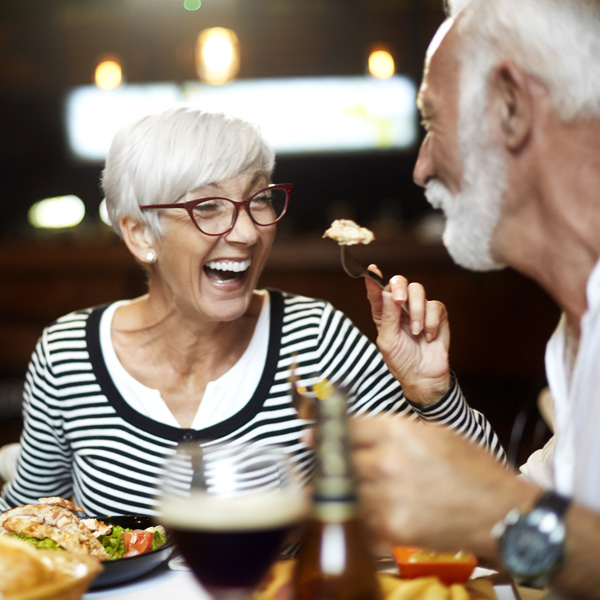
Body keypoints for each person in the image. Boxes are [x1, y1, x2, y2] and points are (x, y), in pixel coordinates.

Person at [0, 106, 504, 517]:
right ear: (138, 234)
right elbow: (22, 532)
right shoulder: (69, 354)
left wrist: (432, 395)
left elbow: (497, 502)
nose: (246, 233)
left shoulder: (317, 339)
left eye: (258, 200)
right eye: (208, 207)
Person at [351, 0, 600, 597]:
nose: (421, 167)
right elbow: (548, 545)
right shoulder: (576, 334)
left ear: (512, 107)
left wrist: (497, 512)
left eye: (433, 124)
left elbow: (520, 525)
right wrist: (435, 398)